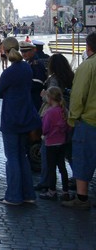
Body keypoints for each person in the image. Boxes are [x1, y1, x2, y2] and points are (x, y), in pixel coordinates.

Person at [0, 37, 41, 205]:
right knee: (22, 156)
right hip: (26, 117)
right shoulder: (26, 68)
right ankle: (28, 194)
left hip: (12, 119)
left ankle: (14, 195)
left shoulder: (9, 72)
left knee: (12, 157)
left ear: (6, 51)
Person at [62, 32, 96, 210]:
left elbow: (78, 96)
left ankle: (82, 199)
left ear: (88, 47)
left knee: (83, 158)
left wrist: (72, 119)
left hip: (89, 121)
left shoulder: (87, 66)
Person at [35, 53, 75, 191]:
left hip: (54, 120)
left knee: (47, 154)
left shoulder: (53, 79)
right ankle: (76, 177)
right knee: (69, 152)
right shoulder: (71, 76)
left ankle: (47, 183)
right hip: (68, 115)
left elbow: (51, 97)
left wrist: (43, 95)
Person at [39, 86, 71, 201]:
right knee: (62, 167)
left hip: (50, 143)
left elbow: (45, 129)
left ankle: (52, 191)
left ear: (50, 98)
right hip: (61, 142)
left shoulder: (49, 113)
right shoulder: (64, 110)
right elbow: (68, 127)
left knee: (51, 168)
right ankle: (65, 191)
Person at [19, 40, 47, 113]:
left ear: (33, 51)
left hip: (35, 97)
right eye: (22, 52)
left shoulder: (35, 64)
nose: (23, 54)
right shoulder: (28, 62)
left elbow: (38, 83)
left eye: (26, 51)